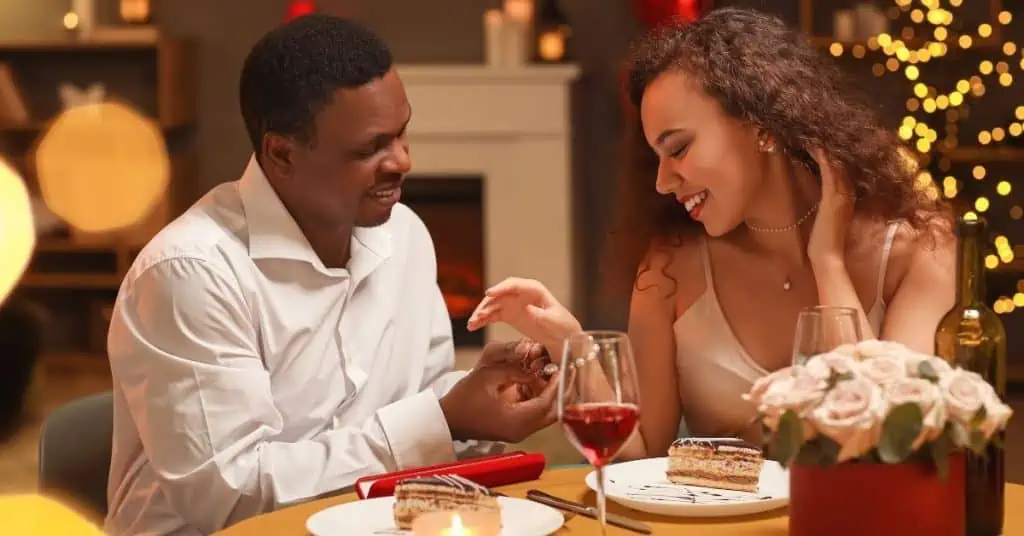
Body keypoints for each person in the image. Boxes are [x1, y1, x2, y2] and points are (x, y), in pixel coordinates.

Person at [105, 15, 556, 536]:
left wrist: (486, 396)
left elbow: (424, 405)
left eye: (403, 132)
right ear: (281, 154)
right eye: (370, 149)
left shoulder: (405, 234)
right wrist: (445, 418)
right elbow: (233, 500)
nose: (403, 160)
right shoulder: (191, 274)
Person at [468, 8, 954, 459]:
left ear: (762, 123)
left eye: (678, 148)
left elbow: (889, 445)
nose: (661, 181)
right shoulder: (669, 268)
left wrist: (827, 261)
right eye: (655, 156)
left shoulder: (921, 249)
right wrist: (568, 343)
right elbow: (638, 455)